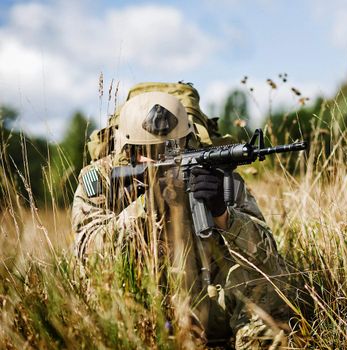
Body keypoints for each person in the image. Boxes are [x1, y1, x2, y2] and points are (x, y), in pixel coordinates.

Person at [71, 90, 295, 348]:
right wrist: (144, 206)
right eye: (150, 152)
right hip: (139, 311)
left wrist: (223, 214)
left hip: (209, 302)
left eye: (175, 148)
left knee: (262, 280)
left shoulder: (216, 174)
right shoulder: (100, 180)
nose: (164, 159)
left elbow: (266, 254)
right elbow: (88, 253)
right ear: (129, 151)